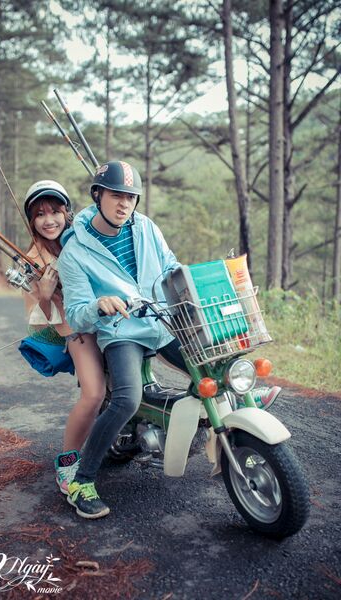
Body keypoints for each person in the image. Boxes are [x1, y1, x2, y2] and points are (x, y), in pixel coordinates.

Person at [58, 161, 281, 519]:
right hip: (121, 331)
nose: (124, 204)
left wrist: (190, 283)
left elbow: (168, 267)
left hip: (161, 321)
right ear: (97, 195)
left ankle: (236, 411)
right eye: (116, 195)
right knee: (126, 399)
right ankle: (82, 481)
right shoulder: (75, 251)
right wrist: (100, 305)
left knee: (215, 364)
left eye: (131, 197)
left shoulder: (146, 227)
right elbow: (75, 313)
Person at [22, 180, 106, 496]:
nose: (49, 220)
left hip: (110, 316)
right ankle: (68, 463)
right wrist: (45, 295)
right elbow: (40, 319)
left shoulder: (82, 237)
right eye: (40, 214)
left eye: (55, 211)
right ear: (32, 221)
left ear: (67, 213)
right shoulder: (31, 259)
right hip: (76, 331)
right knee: (94, 394)